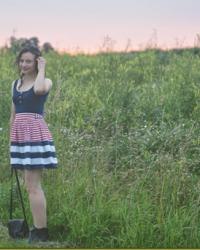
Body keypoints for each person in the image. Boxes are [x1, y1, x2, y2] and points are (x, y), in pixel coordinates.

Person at [9, 46, 58, 243]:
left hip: (35, 135)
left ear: (36, 62)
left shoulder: (45, 81)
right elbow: (13, 115)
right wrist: (11, 143)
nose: (24, 64)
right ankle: (37, 230)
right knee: (30, 186)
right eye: (22, 61)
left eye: (29, 61)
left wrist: (43, 67)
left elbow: (38, 90)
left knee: (33, 186)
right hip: (20, 138)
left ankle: (41, 232)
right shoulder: (15, 84)